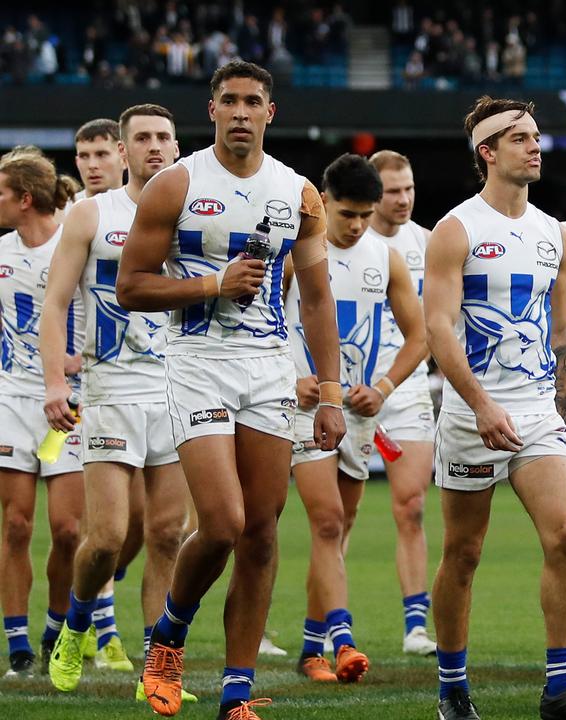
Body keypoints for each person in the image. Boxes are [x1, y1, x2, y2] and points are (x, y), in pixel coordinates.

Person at [118, 60, 345, 720]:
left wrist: (330, 391)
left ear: (270, 113)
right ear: (211, 110)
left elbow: (317, 298)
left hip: (270, 370)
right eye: (229, 101)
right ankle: (169, 637)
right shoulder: (176, 185)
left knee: (263, 534)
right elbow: (132, 286)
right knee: (222, 523)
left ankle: (236, 691)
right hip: (197, 363)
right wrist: (209, 286)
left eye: (253, 101)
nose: (241, 111)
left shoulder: (298, 193)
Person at [422, 95, 566, 720]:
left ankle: (561, 690)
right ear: (488, 152)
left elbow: (560, 333)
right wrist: (480, 405)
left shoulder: (548, 233)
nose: (535, 146)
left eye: (536, 136)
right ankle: (452, 689)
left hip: (537, 411)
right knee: (464, 552)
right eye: (520, 138)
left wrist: (563, 406)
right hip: (469, 414)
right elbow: (438, 330)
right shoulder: (456, 229)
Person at [41, 104, 196, 702]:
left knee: (166, 535)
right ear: (123, 150)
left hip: (180, 388)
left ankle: (156, 670)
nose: (154, 146)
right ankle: (74, 625)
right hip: (110, 391)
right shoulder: (90, 214)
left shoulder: (193, 213)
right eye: (142, 139)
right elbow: (56, 304)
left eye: (163, 136)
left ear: (177, 146)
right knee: (105, 536)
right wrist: (57, 383)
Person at [287, 153, 427, 685]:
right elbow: (262, 322)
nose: (358, 224)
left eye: (365, 214)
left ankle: (309, 648)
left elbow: (420, 336)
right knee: (325, 522)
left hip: (358, 414)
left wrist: (385, 387)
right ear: (324, 201)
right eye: (348, 213)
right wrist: (287, 377)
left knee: (339, 530)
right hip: (303, 410)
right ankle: (343, 640)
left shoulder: (385, 257)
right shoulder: (295, 253)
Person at [0, 152, 85, 679]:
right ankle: (18, 645)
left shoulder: (73, 244)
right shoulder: (1, 254)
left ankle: (56, 629)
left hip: (70, 403)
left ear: (25, 198)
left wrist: (87, 354)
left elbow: (107, 306)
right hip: (11, 398)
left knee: (70, 530)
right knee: (14, 524)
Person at [365, 149, 438, 657]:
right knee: (332, 519)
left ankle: (415, 625)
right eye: (393, 190)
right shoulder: (345, 241)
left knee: (411, 506)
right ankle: (326, 623)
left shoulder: (428, 244)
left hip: (406, 385)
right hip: (345, 391)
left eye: (409, 188)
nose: (404, 198)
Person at [72, 118, 125, 201]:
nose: (92, 165)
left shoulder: (143, 208)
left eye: (101, 155)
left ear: (124, 159)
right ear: (77, 162)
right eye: (84, 156)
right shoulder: (60, 210)